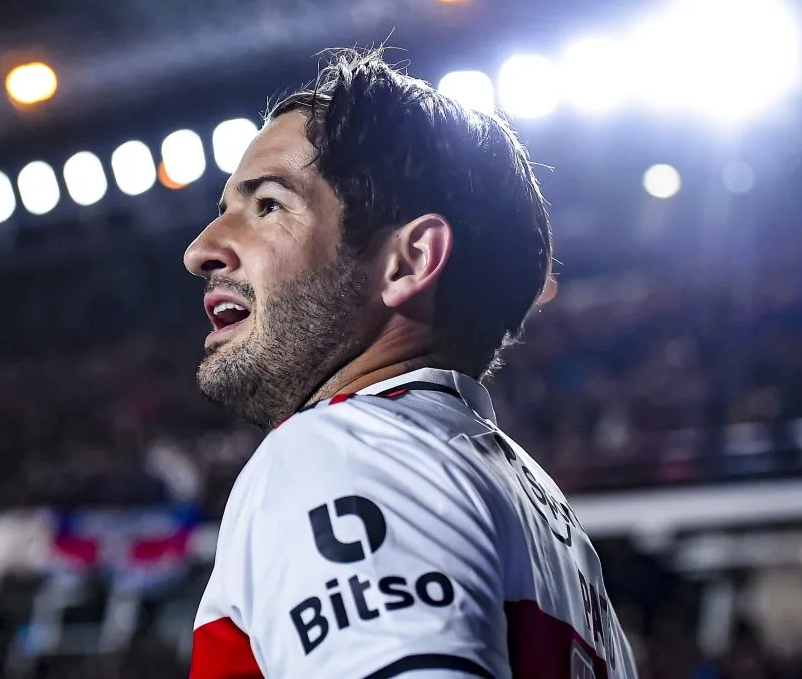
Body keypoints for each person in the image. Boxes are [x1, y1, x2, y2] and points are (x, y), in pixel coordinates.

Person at [183, 47, 638, 679]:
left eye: (269, 206)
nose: (201, 251)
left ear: (410, 261)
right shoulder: (548, 521)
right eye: (224, 209)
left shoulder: (347, 451)